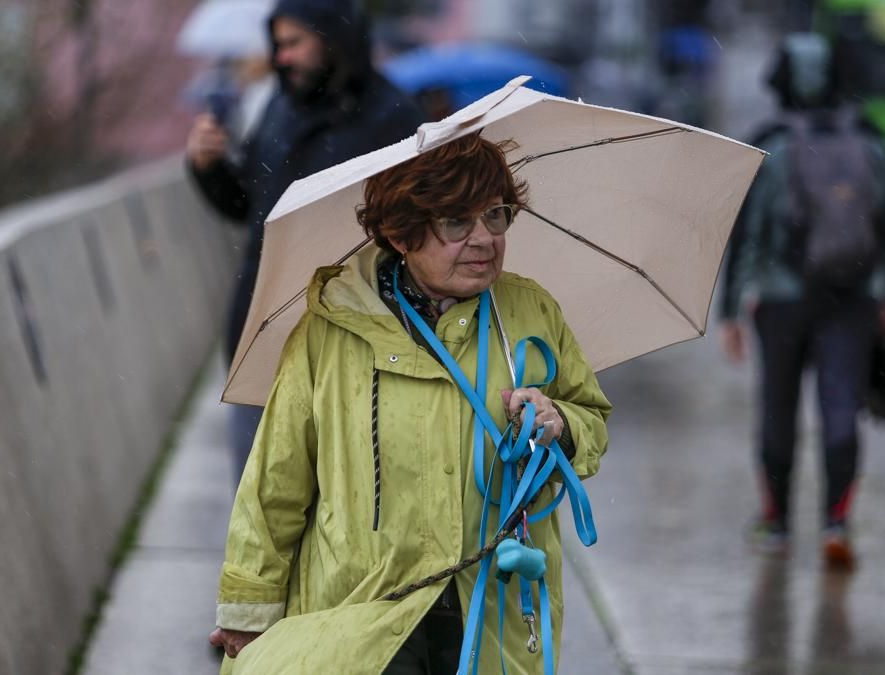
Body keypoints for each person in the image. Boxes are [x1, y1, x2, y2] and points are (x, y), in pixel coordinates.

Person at [207, 134, 612, 674]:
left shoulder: (529, 313)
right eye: (456, 223)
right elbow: (276, 479)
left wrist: (559, 424)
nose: (484, 239)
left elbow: (591, 421)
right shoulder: (329, 331)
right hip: (358, 610)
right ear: (400, 232)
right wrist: (248, 604)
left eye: (496, 215)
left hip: (490, 608)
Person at [185, 0, 424, 481]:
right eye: (277, 45)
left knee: (340, 505)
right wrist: (207, 168)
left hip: (355, 345)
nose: (281, 58)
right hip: (263, 329)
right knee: (257, 501)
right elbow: (248, 207)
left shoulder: (394, 117)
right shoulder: (279, 107)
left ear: (333, 39)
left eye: (294, 43)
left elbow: (414, 234)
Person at [719, 33, 885, 568]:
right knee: (840, 408)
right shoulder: (871, 144)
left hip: (781, 302)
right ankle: (837, 522)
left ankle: (777, 524)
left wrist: (731, 311)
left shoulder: (773, 145)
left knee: (778, 410)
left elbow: (748, 233)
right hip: (853, 301)